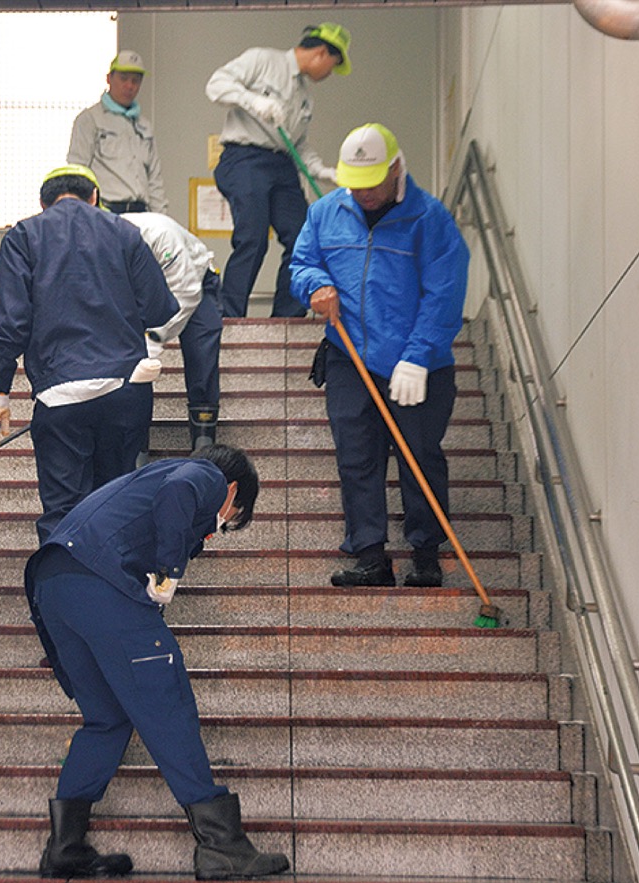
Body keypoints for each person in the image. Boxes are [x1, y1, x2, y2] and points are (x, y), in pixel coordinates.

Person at [25, 444, 290, 880]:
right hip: (100, 586)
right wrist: (170, 571)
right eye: (230, 517)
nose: (216, 528)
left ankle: (65, 846)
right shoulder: (203, 474)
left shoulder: (143, 482)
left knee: (107, 718)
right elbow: (180, 491)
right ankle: (222, 846)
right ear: (233, 490)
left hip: (54, 583)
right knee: (168, 706)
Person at [289, 123, 469, 588]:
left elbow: (444, 293)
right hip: (349, 355)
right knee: (356, 456)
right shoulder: (326, 213)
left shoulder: (430, 220)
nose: (363, 193)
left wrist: (418, 356)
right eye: (354, 183)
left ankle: (426, 553)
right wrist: (315, 287)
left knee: (419, 456)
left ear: (395, 169)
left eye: (372, 184)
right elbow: (302, 263)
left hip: (417, 362)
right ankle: (369, 555)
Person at [0, 164, 177, 542]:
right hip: (125, 390)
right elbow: (158, 309)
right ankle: (115, 595)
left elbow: (9, 324)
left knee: (63, 512)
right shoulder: (125, 232)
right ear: (95, 198)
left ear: (43, 203)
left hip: (60, 396)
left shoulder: (24, 235)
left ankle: (63, 594)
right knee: (117, 503)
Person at [205, 23, 351, 318]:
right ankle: (229, 315)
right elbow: (215, 85)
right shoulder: (263, 60)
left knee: (302, 238)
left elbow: (297, 144)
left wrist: (322, 170)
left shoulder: (304, 97)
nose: (329, 74)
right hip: (244, 158)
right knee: (253, 237)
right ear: (321, 53)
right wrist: (253, 101)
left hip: (282, 165)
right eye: (332, 66)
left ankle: (288, 316)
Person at [120, 212, 223, 453]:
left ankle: (203, 442)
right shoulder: (102, 245)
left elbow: (186, 292)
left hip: (194, 282)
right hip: (138, 292)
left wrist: (155, 338)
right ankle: (136, 448)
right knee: (130, 363)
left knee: (201, 348)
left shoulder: (159, 235)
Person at [67, 51, 168, 215]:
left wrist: (161, 218)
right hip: (106, 212)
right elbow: (78, 171)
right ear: (109, 78)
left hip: (141, 213)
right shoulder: (90, 119)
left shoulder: (144, 125)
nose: (129, 86)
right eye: (123, 78)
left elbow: (154, 179)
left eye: (135, 80)